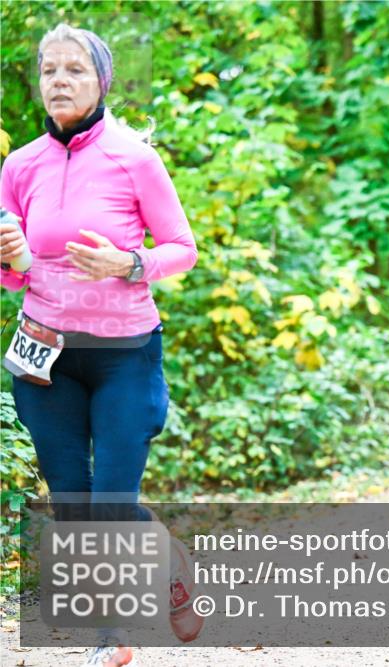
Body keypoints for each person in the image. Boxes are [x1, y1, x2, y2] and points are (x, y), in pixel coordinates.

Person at [0, 24, 198, 666]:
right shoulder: (18, 164)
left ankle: (134, 609)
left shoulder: (133, 156)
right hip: (45, 356)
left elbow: (181, 250)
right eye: (50, 70)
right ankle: (137, 603)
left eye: (74, 70)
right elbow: (15, 269)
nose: (59, 80)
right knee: (74, 505)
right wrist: (12, 261)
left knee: (111, 504)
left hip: (123, 355)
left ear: (101, 81)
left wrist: (128, 263)